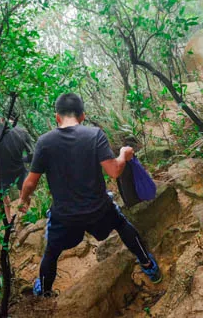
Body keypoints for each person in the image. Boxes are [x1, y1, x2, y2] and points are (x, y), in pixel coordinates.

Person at [17, 93, 161, 297]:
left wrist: (23, 199)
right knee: (121, 224)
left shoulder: (44, 142)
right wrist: (123, 154)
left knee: (51, 250)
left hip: (65, 216)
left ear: (57, 117)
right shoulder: (94, 135)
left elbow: (31, 182)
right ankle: (148, 265)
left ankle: (44, 292)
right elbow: (114, 171)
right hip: (98, 209)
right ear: (82, 116)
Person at [0, 117, 34, 222]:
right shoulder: (22, 131)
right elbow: (32, 153)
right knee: (24, 192)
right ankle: (25, 217)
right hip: (18, 167)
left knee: (4, 196)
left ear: (1, 119)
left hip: (2, 170)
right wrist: (24, 159)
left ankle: (9, 221)